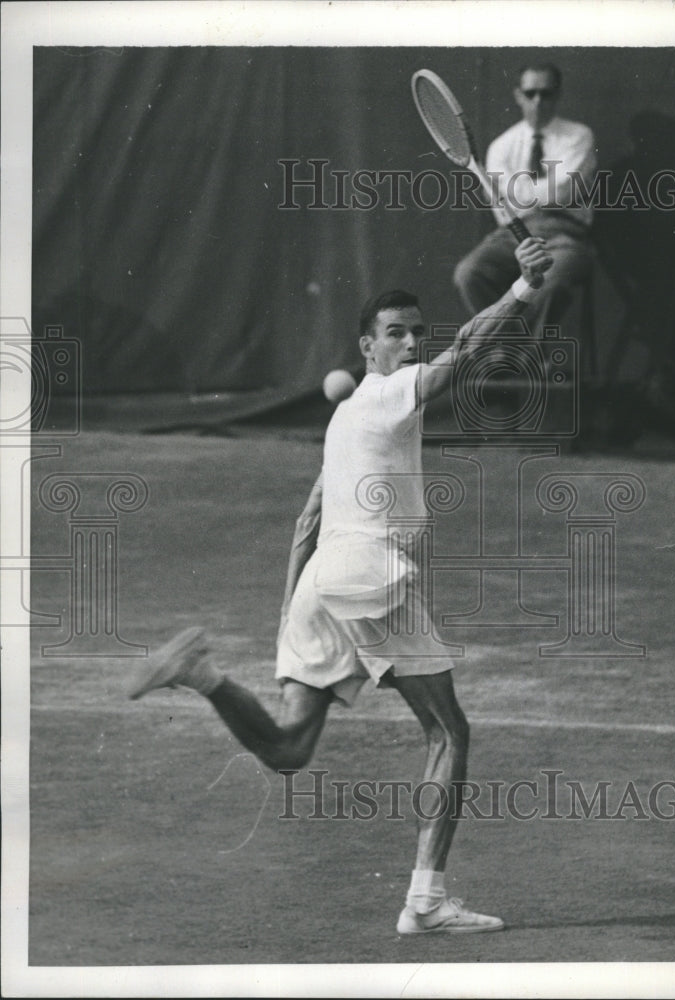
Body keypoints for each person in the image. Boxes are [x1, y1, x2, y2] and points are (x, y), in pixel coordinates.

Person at [130, 236, 552, 935]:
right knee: (448, 733)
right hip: (372, 577)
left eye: (419, 331)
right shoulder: (387, 395)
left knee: (289, 750)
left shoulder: (343, 418)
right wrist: (522, 291)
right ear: (367, 348)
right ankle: (423, 900)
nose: (413, 342)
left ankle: (204, 677)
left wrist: (289, 618)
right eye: (396, 334)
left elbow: (306, 521)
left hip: (323, 582)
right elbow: (468, 354)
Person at [454, 63, 596, 332]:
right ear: (518, 95)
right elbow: (503, 205)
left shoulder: (579, 137)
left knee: (551, 282)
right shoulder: (501, 146)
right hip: (512, 235)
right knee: (469, 273)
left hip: (566, 235)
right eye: (530, 93)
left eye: (546, 93)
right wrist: (541, 193)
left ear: (558, 95)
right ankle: (512, 352)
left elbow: (562, 192)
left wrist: (514, 191)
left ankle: (528, 359)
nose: (538, 101)